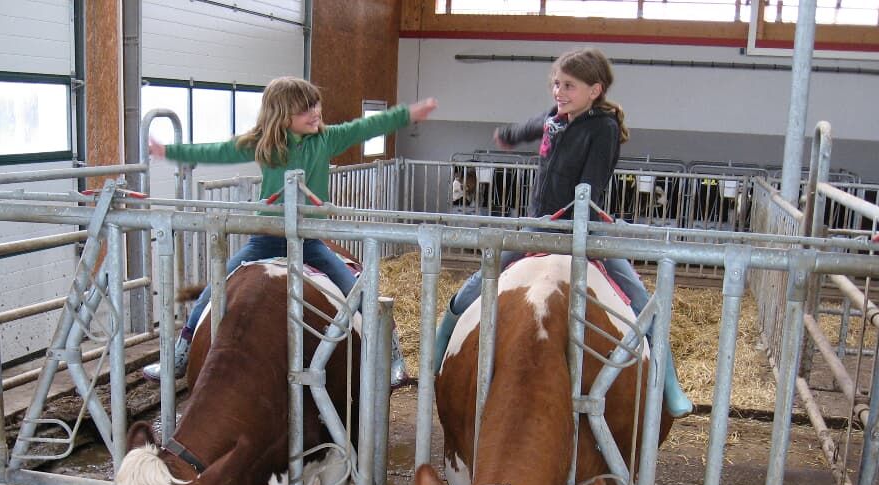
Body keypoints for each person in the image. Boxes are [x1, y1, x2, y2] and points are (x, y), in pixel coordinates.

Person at [434, 48, 693, 418]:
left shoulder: (602, 129)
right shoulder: (557, 118)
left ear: (594, 90)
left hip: (582, 229)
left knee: (639, 297)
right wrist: (508, 135)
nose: (559, 91)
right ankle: (439, 349)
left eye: (569, 85)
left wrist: (574, 219)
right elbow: (532, 126)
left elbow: (591, 185)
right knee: (479, 280)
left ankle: (669, 382)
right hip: (539, 225)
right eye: (556, 84)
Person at [142, 76, 438, 386]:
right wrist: (169, 151)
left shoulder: (327, 139)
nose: (315, 113)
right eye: (305, 109)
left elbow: (366, 127)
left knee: (357, 291)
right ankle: (181, 353)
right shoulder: (264, 144)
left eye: (316, 105)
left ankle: (393, 358)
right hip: (265, 239)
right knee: (214, 290)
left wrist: (407, 114)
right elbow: (218, 150)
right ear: (282, 115)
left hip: (308, 241)